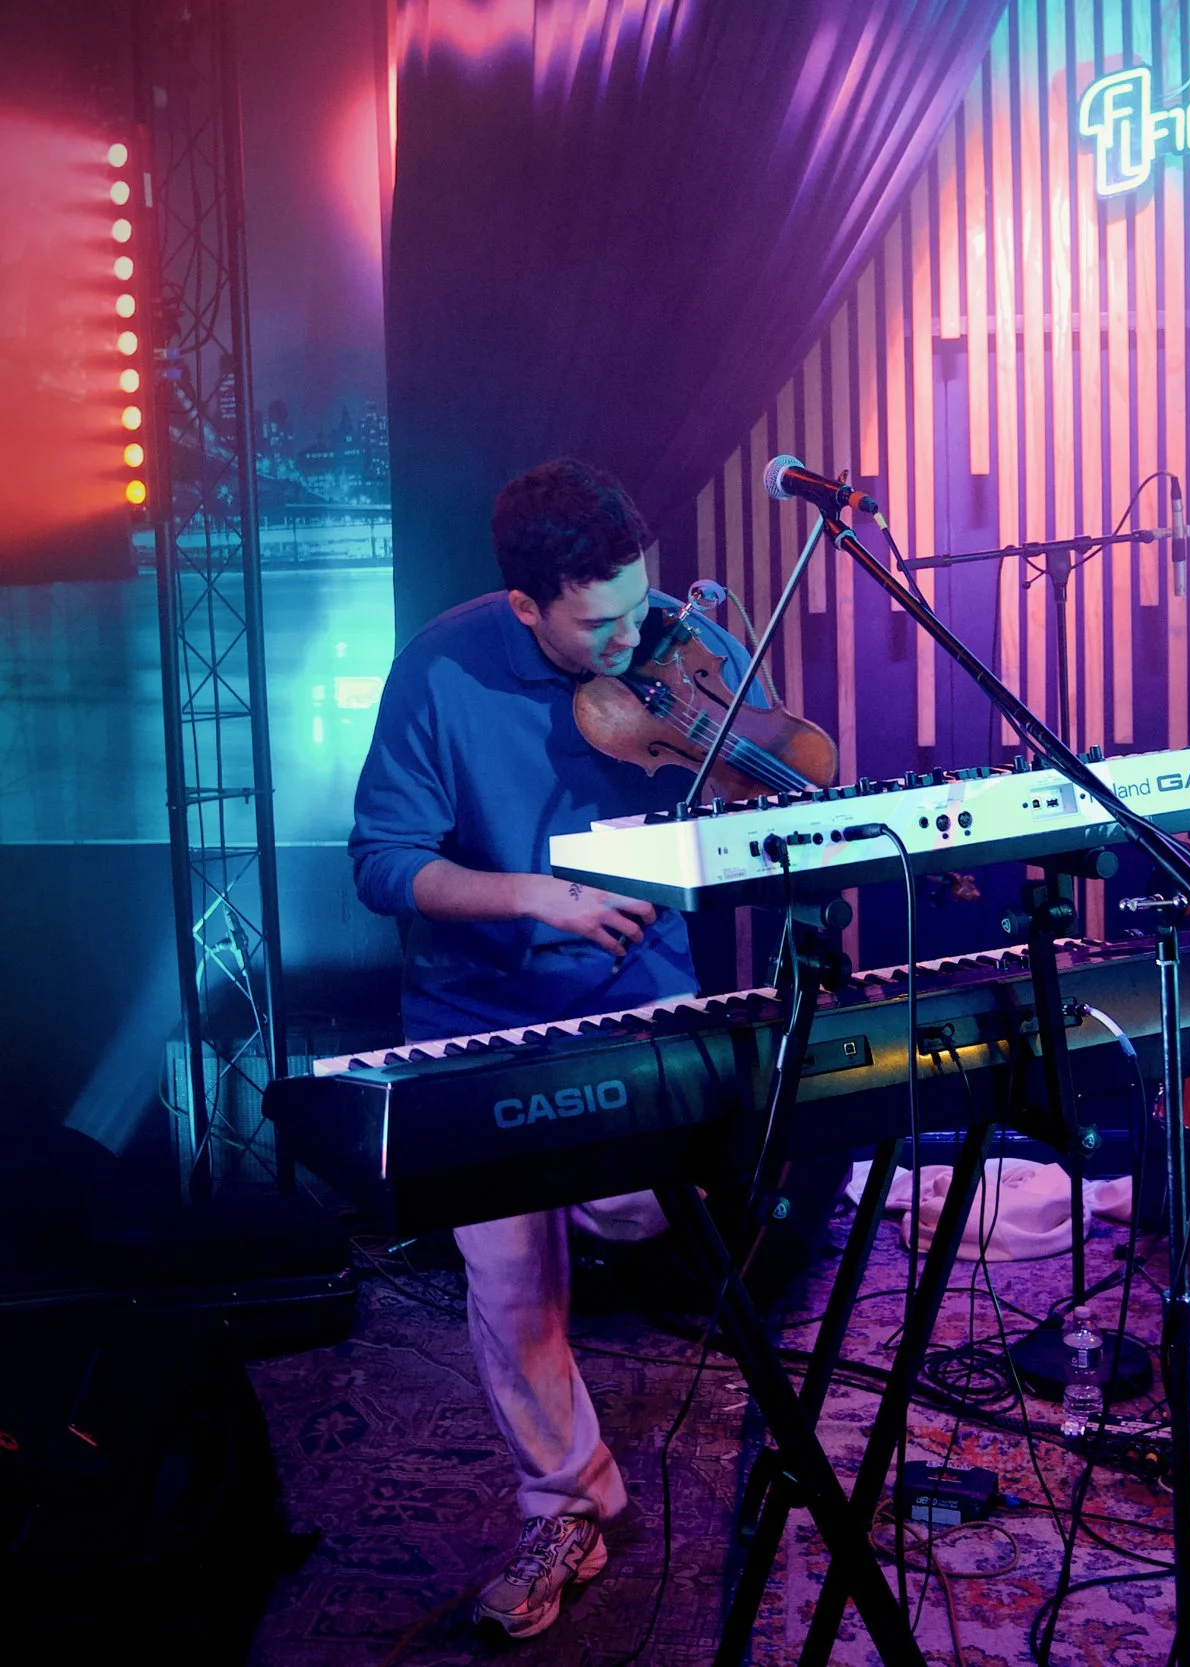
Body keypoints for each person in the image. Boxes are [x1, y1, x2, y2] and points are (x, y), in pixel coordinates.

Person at [350, 458, 748, 1639]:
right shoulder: (440, 667)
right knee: (511, 1278)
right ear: (526, 606)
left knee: (637, 1210)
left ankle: (586, 1215)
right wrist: (541, 895)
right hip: (482, 1019)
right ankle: (566, 1496)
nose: (636, 632)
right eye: (599, 620)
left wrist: (736, 791)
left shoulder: (679, 643)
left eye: (641, 599)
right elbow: (381, 866)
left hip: (646, 1000)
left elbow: (752, 786)